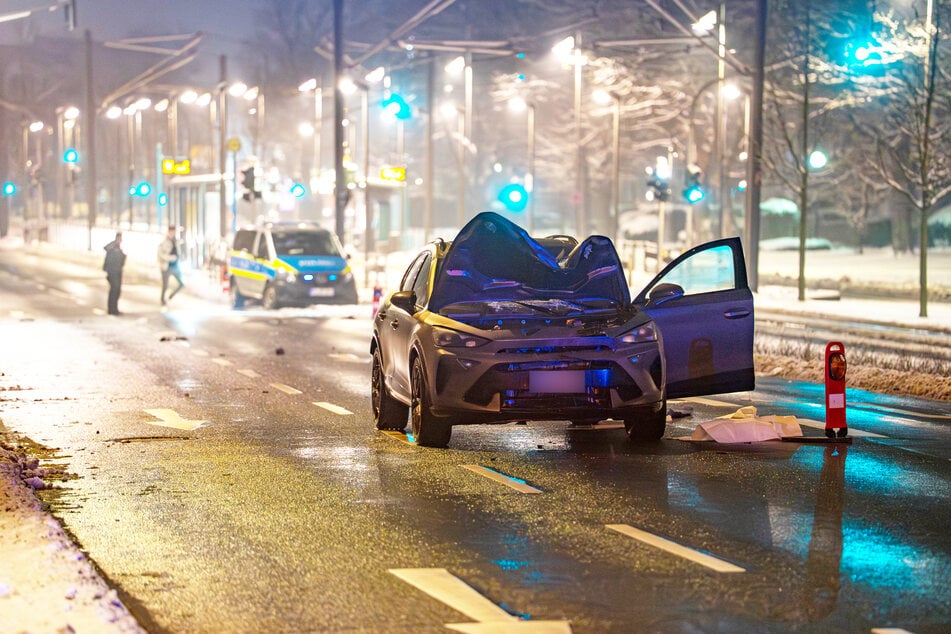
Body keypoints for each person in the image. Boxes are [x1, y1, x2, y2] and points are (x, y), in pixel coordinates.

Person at [157, 225, 185, 305]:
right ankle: (163, 300)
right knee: (165, 285)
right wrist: (169, 258)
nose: (174, 233)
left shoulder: (175, 240)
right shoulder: (164, 241)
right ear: (169, 231)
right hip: (166, 266)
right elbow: (160, 253)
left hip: (175, 266)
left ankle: (170, 296)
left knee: (181, 283)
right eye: (173, 231)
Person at [102, 232, 126, 316]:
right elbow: (105, 248)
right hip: (112, 272)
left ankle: (115, 309)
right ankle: (111, 309)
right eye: (119, 238)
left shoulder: (120, 248)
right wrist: (114, 242)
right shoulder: (112, 247)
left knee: (117, 291)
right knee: (114, 290)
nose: (120, 240)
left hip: (118, 271)